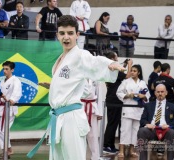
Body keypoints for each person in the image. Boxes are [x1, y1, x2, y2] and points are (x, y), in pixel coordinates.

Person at [27, 15, 125, 160]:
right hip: (58, 117)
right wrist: (53, 86)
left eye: (70, 33)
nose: (66, 37)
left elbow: (94, 61)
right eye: (62, 33)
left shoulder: (79, 55)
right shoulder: (60, 59)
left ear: (77, 35)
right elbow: (73, 85)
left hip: (71, 118)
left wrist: (110, 64)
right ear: (57, 35)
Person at [137, 84, 174, 160]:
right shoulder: (148, 106)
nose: (160, 93)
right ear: (155, 93)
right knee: (142, 131)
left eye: (162, 91)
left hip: (166, 131)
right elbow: (142, 120)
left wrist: (169, 126)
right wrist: (147, 124)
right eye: (158, 92)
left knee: (172, 132)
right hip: (152, 130)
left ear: (166, 93)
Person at [116, 64, 150, 158]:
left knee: (136, 131)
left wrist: (144, 96)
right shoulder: (125, 82)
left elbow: (148, 96)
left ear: (139, 72)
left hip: (139, 110)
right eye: (131, 70)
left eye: (135, 71)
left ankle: (132, 150)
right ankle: (121, 150)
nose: (132, 72)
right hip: (128, 108)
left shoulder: (142, 83)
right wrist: (127, 95)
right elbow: (118, 92)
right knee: (125, 130)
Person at [0, 61, 22, 159]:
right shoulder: (2, 81)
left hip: (10, 108)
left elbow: (17, 92)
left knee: (1, 130)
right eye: (3, 69)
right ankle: (8, 149)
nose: (4, 71)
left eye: (7, 69)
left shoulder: (16, 80)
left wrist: (12, 99)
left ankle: (7, 150)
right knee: (2, 130)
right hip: (1, 107)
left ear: (12, 70)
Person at [103, 51, 133, 154]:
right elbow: (127, 75)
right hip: (114, 99)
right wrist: (129, 65)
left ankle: (110, 145)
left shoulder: (111, 68)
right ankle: (106, 145)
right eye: (116, 57)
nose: (118, 58)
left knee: (113, 123)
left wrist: (124, 65)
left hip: (113, 98)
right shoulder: (113, 69)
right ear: (112, 58)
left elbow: (121, 73)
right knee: (112, 123)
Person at [81, 79, 102, 160]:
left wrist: (100, 112)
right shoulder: (78, 75)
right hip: (80, 107)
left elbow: (99, 94)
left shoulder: (96, 77)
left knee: (93, 135)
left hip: (92, 108)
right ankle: (80, 156)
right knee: (81, 134)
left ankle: (95, 157)